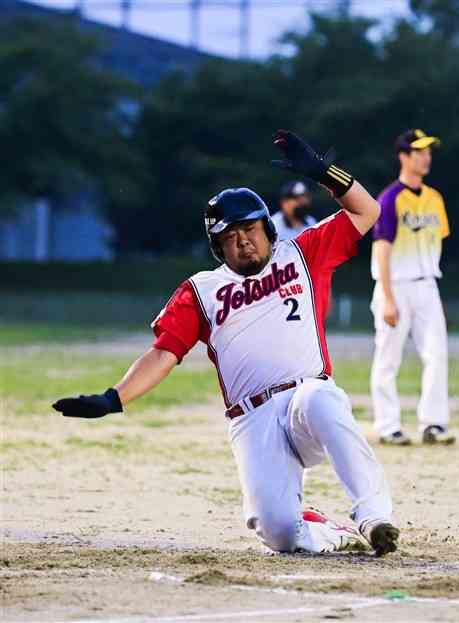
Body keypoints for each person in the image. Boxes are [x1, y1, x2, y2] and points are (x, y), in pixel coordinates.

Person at [52, 131, 400, 557]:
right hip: (251, 419)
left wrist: (323, 173)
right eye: (230, 236)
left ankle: (375, 516)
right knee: (280, 536)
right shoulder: (202, 290)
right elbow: (163, 353)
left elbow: (369, 210)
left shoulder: (303, 254)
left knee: (323, 399)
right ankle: (332, 532)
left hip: (304, 400)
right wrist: (113, 398)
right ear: (217, 246)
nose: (243, 241)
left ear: (268, 229)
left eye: (251, 229)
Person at [369, 129, 455, 446]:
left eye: (428, 151)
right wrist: (389, 299)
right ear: (403, 156)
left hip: (427, 285)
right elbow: (382, 248)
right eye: (419, 151)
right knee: (388, 356)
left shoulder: (434, 199)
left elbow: (436, 243)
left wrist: (433, 288)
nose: (425, 157)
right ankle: (387, 425)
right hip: (395, 285)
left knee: (436, 353)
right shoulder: (390, 199)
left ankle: (434, 423)